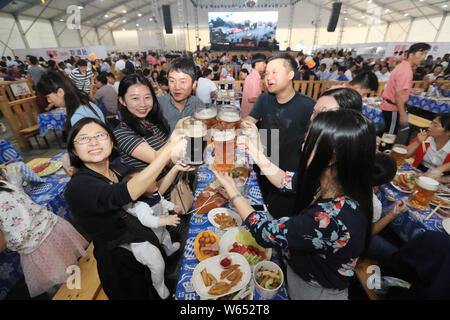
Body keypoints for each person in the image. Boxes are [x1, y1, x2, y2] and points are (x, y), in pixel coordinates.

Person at [217, 109, 375, 300]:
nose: (304, 139)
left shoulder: (331, 217)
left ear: (332, 158)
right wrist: (254, 152)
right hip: (300, 272)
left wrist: (233, 191)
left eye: (312, 138)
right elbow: (284, 179)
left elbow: (264, 231)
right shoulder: (328, 180)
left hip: (315, 291)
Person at [64, 117, 187, 299]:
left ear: (112, 141)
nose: (94, 142)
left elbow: (152, 191)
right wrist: (168, 150)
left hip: (147, 244)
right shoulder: (78, 186)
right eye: (83, 138)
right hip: (121, 265)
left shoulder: (118, 169)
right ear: (73, 149)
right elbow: (121, 194)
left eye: (100, 135)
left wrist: (176, 168)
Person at [244, 52, 315, 219]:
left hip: (287, 173)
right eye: (266, 73)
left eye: (274, 72)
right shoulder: (264, 99)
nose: (268, 77)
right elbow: (248, 120)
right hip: (263, 162)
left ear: (290, 75)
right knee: (258, 206)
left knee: (278, 216)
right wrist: (247, 126)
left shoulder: (308, 105)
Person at [0, 180, 88, 298]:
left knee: (67, 288)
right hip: (55, 229)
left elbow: (1, 245)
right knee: (77, 270)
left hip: (39, 250)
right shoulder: (3, 183)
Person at [121, 170, 184, 299]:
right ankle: (159, 285)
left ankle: (169, 249)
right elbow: (146, 220)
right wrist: (166, 220)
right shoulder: (140, 205)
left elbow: (163, 202)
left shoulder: (154, 194)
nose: (154, 180)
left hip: (158, 229)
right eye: (148, 180)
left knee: (166, 236)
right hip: (144, 242)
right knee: (157, 264)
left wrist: (173, 207)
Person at [381, 42, 431, 135]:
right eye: (421, 53)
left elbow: (397, 87)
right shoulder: (406, 71)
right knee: (389, 136)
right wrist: (403, 115)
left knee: (387, 131)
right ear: (411, 55)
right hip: (393, 108)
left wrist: (409, 90)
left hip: (390, 105)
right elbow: (398, 95)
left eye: (425, 54)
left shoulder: (403, 66)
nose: (423, 57)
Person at [369, 153, 408, 265]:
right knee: (397, 256)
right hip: (352, 242)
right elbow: (368, 233)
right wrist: (392, 215)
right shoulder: (374, 203)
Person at [37, 71, 105, 131]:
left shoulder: (79, 116)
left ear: (60, 92)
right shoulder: (85, 103)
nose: (48, 101)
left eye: (48, 97)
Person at [157, 57, 205, 133]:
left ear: (194, 84)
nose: (177, 87)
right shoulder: (157, 106)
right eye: (172, 81)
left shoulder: (198, 104)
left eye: (183, 82)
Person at [406, 113, 450, 181]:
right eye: (431, 123)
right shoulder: (425, 138)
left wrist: (441, 169)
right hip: (417, 173)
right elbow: (405, 155)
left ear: (448, 132)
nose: (429, 126)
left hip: (439, 180)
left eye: (435, 125)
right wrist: (418, 142)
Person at [240, 53, 266, 118]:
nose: (265, 65)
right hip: (251, 115)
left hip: (248, 113)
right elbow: (251, 99)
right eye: (263, 63)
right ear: (257, 64)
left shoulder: (252, 76)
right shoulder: (254, 77)